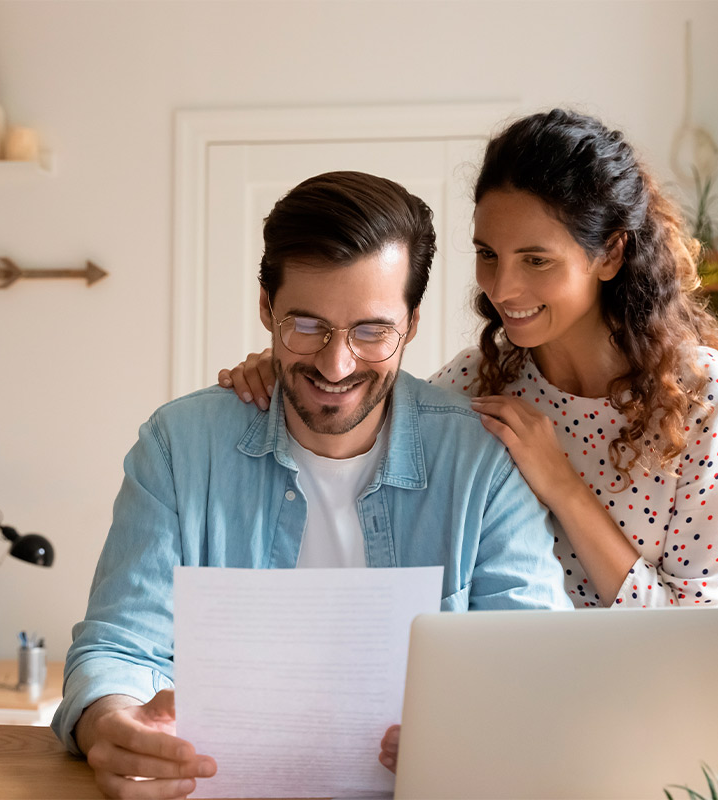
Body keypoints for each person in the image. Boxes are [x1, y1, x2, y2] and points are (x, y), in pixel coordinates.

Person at [52, 170, 570, 799]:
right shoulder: (179, 446)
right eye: (307, 325)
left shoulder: (483, 463)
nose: (336, 363)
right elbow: (118, 645)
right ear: (266, 308)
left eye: (371, 331)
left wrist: (473, 737)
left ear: (409, 324)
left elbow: (535, 670)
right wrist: (113, 723)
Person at [222, 110, 718, 612]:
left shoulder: (707, 402)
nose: (502, 287)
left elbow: (693, 630)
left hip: (642, 703)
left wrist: (562, 487)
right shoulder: (474, 383)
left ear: (610, 254)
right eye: (488, 254)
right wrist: (294, 369)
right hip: (503, 692)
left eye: (536, 259)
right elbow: (356, 412)